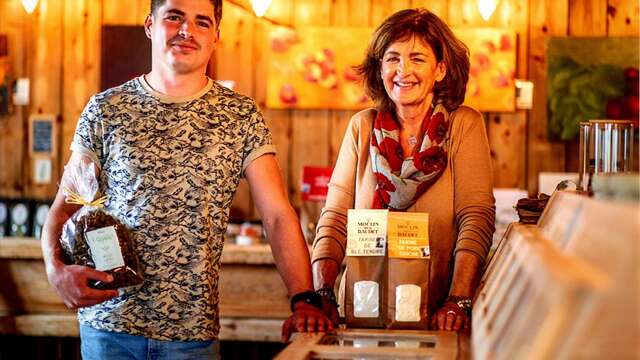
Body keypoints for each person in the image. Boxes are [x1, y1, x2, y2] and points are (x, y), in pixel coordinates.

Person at [41, 0, 331, 358]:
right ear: (150, 25)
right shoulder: (105, 109)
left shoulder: (240, 117)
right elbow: (65, 206)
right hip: (108, 329)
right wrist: (55, 270)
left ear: (216, 37)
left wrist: (303, 297)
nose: (186, 31)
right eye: (174, 17)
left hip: (192, 334)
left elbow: (276, 215)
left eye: (201, 22)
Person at [311, 8, 495, 332]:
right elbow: (336, 217)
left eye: (417, 59)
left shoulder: (463, 125)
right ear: (380, 67)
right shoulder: (361, 127)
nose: (402, 70)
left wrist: (459, 300)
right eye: (392, 58)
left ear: (440, 69)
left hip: (437, 315)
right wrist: (322, 291)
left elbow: (475, 216)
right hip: (364, 310)